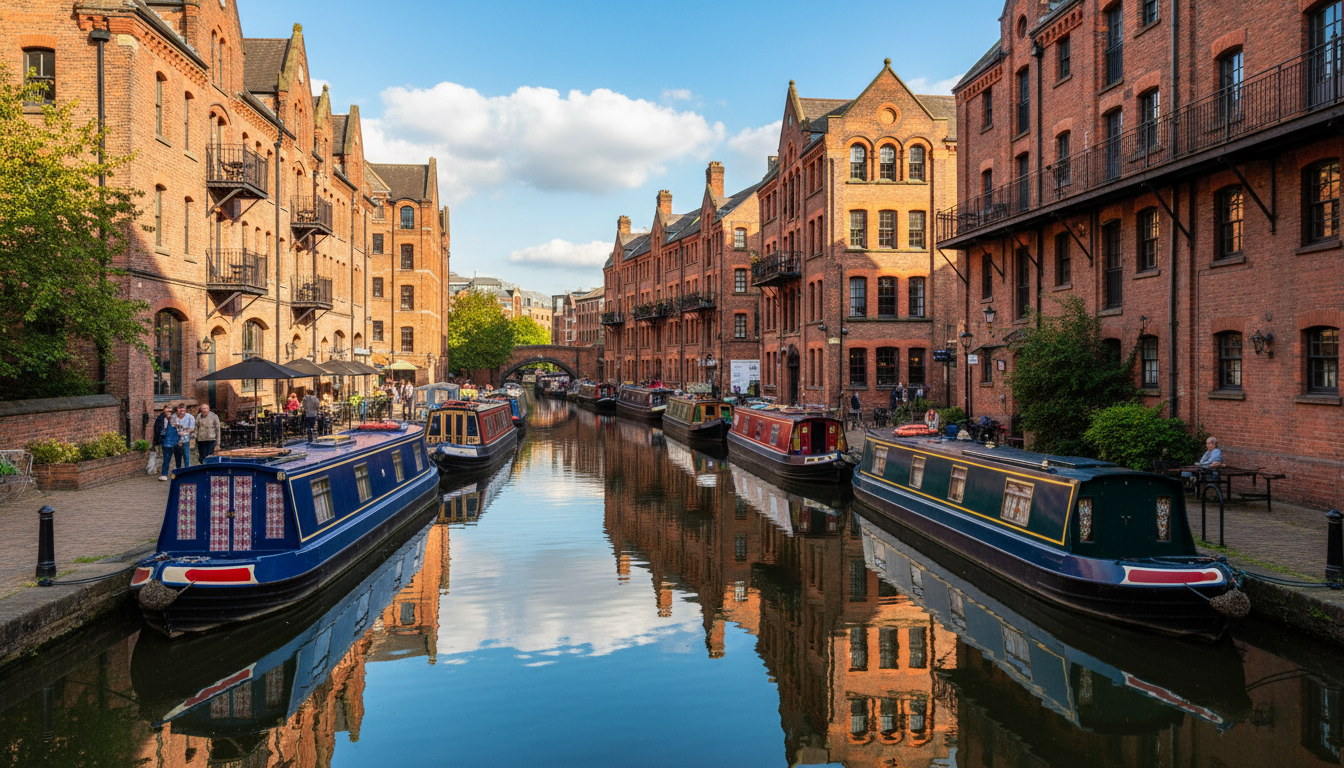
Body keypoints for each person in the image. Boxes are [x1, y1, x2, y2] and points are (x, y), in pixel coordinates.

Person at [151, 405, 172, 476]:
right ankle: (160, 471)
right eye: (167, 410)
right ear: (164, 410)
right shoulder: (160, 418)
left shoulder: (171, 419)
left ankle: (163, 471)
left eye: (169, 410)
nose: (168, 412)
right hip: (161, 440)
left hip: (168, 440)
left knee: (166, 456)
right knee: (162, 456)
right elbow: (157, 430)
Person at [159, 411, 181, 481]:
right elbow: (162, 432)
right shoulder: (165, 421)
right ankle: (164, 474)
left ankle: (179, 473)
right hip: (167, 444)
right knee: (166, 459)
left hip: (177, 443)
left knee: (178, 460)